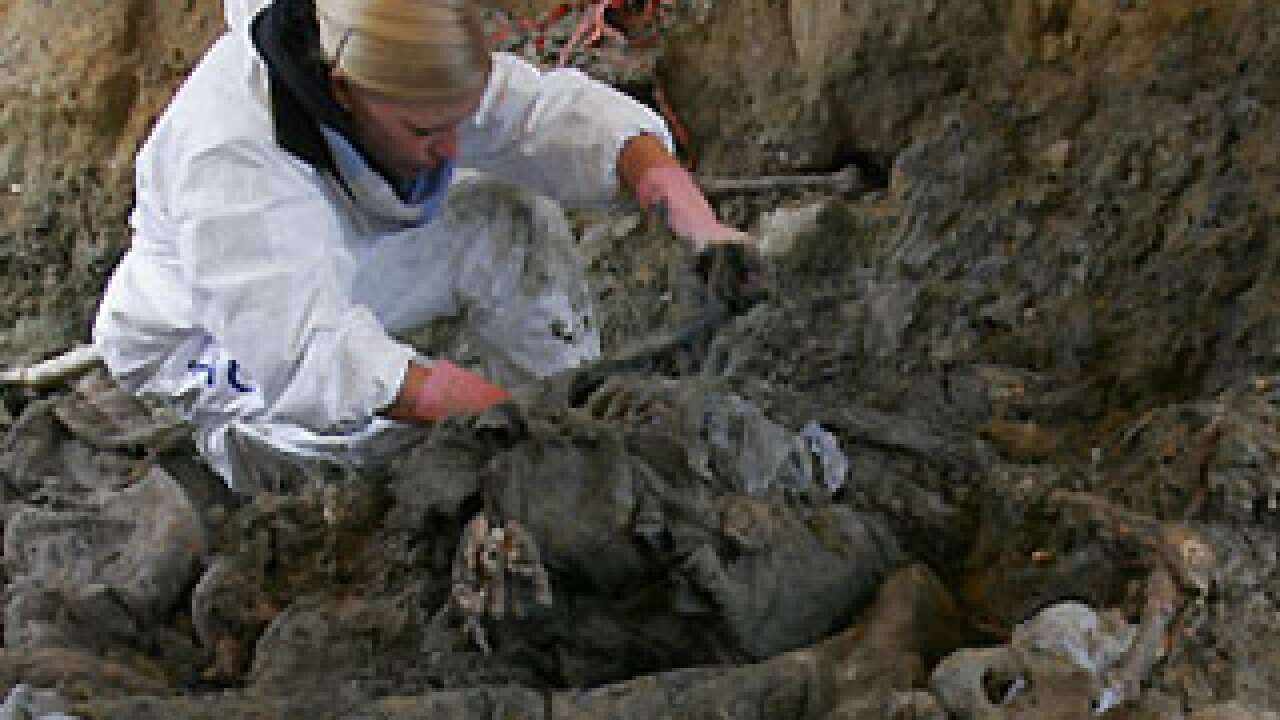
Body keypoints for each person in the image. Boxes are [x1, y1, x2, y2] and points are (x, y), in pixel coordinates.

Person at [92, 0, 746, 493]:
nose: (453, 149)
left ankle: (562, 394)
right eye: (428, 130)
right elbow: (313, 357)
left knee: (506, 219)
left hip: (334, 263)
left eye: (459, 120)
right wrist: (512, 422)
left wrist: (683, 207)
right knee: (372, 452)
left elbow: (537, 119)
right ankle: (246, 457)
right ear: (344, 93)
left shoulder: (388, 44)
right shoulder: (233, 165)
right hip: (209, 336)